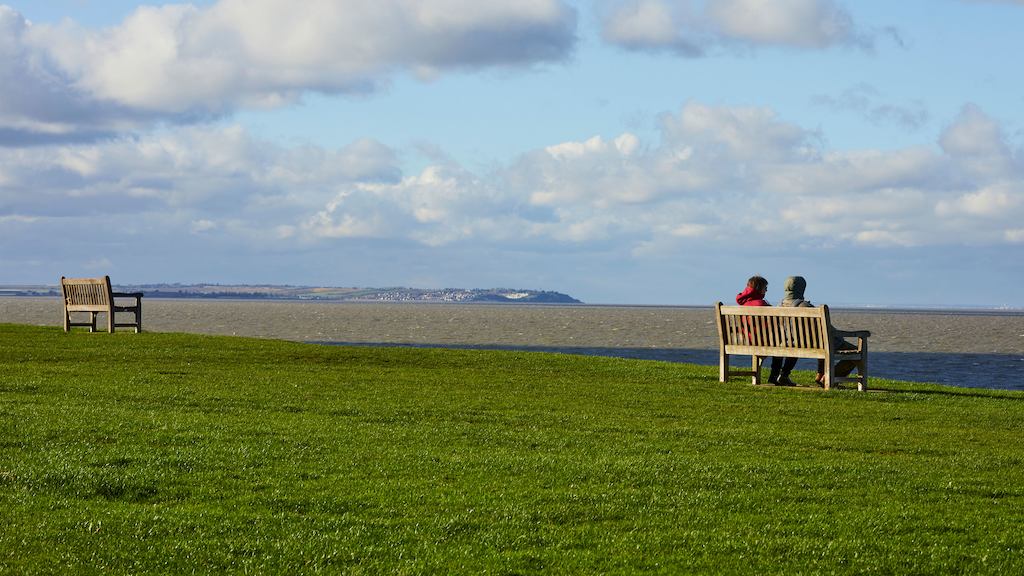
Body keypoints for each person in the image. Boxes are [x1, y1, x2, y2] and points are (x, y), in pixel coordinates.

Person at [779, 276, 857, 385]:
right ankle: (828, 378)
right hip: (812, 344)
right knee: (855, 351)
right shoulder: (805, 306)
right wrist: (839, 338)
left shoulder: (780, 306)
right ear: (801, 288)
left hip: (789, 343)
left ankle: (820, 375)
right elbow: (825, 328)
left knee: (821, 343)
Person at [735, 275, 794, 386]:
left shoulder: (744, 304)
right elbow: (774, 323)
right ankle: (775, 376)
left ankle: (774, 377)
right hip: (762, 342)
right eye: (765, 288)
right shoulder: (761, 304)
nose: (766, 290)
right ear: (759, 288)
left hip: (748, 341)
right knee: (787, 344)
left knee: (779, 342)